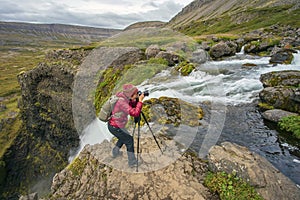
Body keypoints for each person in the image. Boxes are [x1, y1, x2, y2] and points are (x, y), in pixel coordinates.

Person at [107, 83, 145, 167]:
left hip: (115, 125)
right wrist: (140, 102)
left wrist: (137, 100)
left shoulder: (123, 97)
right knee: (129, 140)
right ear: (131, 95)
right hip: (115, 126)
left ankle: (114, 152)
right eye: (136, 93)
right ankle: (132, 162)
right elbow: (134, 113)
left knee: (123, 137)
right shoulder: (121, 102)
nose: (137, 94)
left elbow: (131, 105)